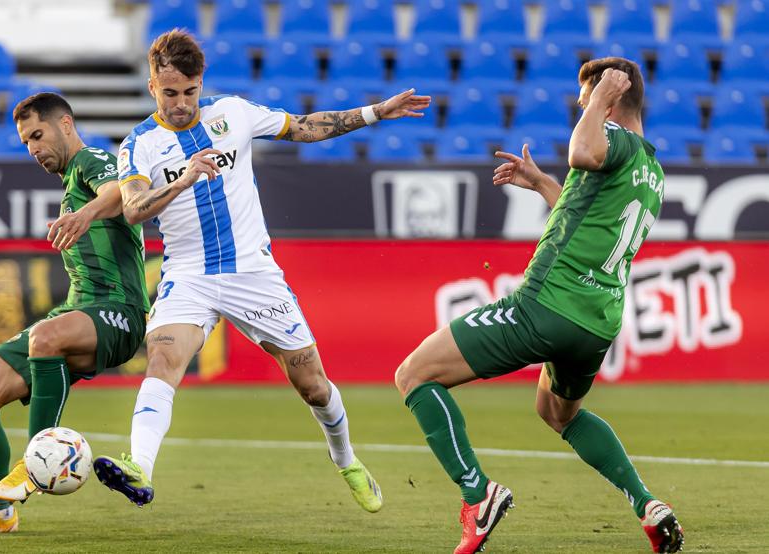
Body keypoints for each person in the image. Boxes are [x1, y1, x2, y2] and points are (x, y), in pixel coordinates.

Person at [48, 28, 429, 512]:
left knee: (312, 384)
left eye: (190, 91)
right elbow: (134, 208)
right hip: (188, 274)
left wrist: (375, 112)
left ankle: (347, 459)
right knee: (163, 359)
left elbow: (305, 126)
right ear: (151, 88)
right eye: (170, 93)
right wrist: (185, 177)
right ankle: (140, 467)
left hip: (254, 273)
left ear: (200, 83)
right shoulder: (138, 145)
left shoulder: (233, 113)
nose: (181, 103)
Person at [394, 58, 685, 554]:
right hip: (597, 322)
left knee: (414, 374)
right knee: (558, 412)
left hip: (546, 305)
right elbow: (589, 214)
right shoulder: (650, 169)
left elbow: (581, 150)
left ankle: (477, 493)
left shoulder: (612, 137)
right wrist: (541, 185)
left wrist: (598, 100)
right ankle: (646, 503)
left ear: (611, 100)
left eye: (586, 100)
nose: (581, 109)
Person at [0, 93, 150, 535]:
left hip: (120, 311)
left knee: (47, 338)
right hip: (78, 310)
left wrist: (85, 215)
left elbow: (122, 193)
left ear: (66, 124)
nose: (33, 148)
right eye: (25, 143)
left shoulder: (93, 159)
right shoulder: (69, 181)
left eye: (37, 135)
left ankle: (33, 463)